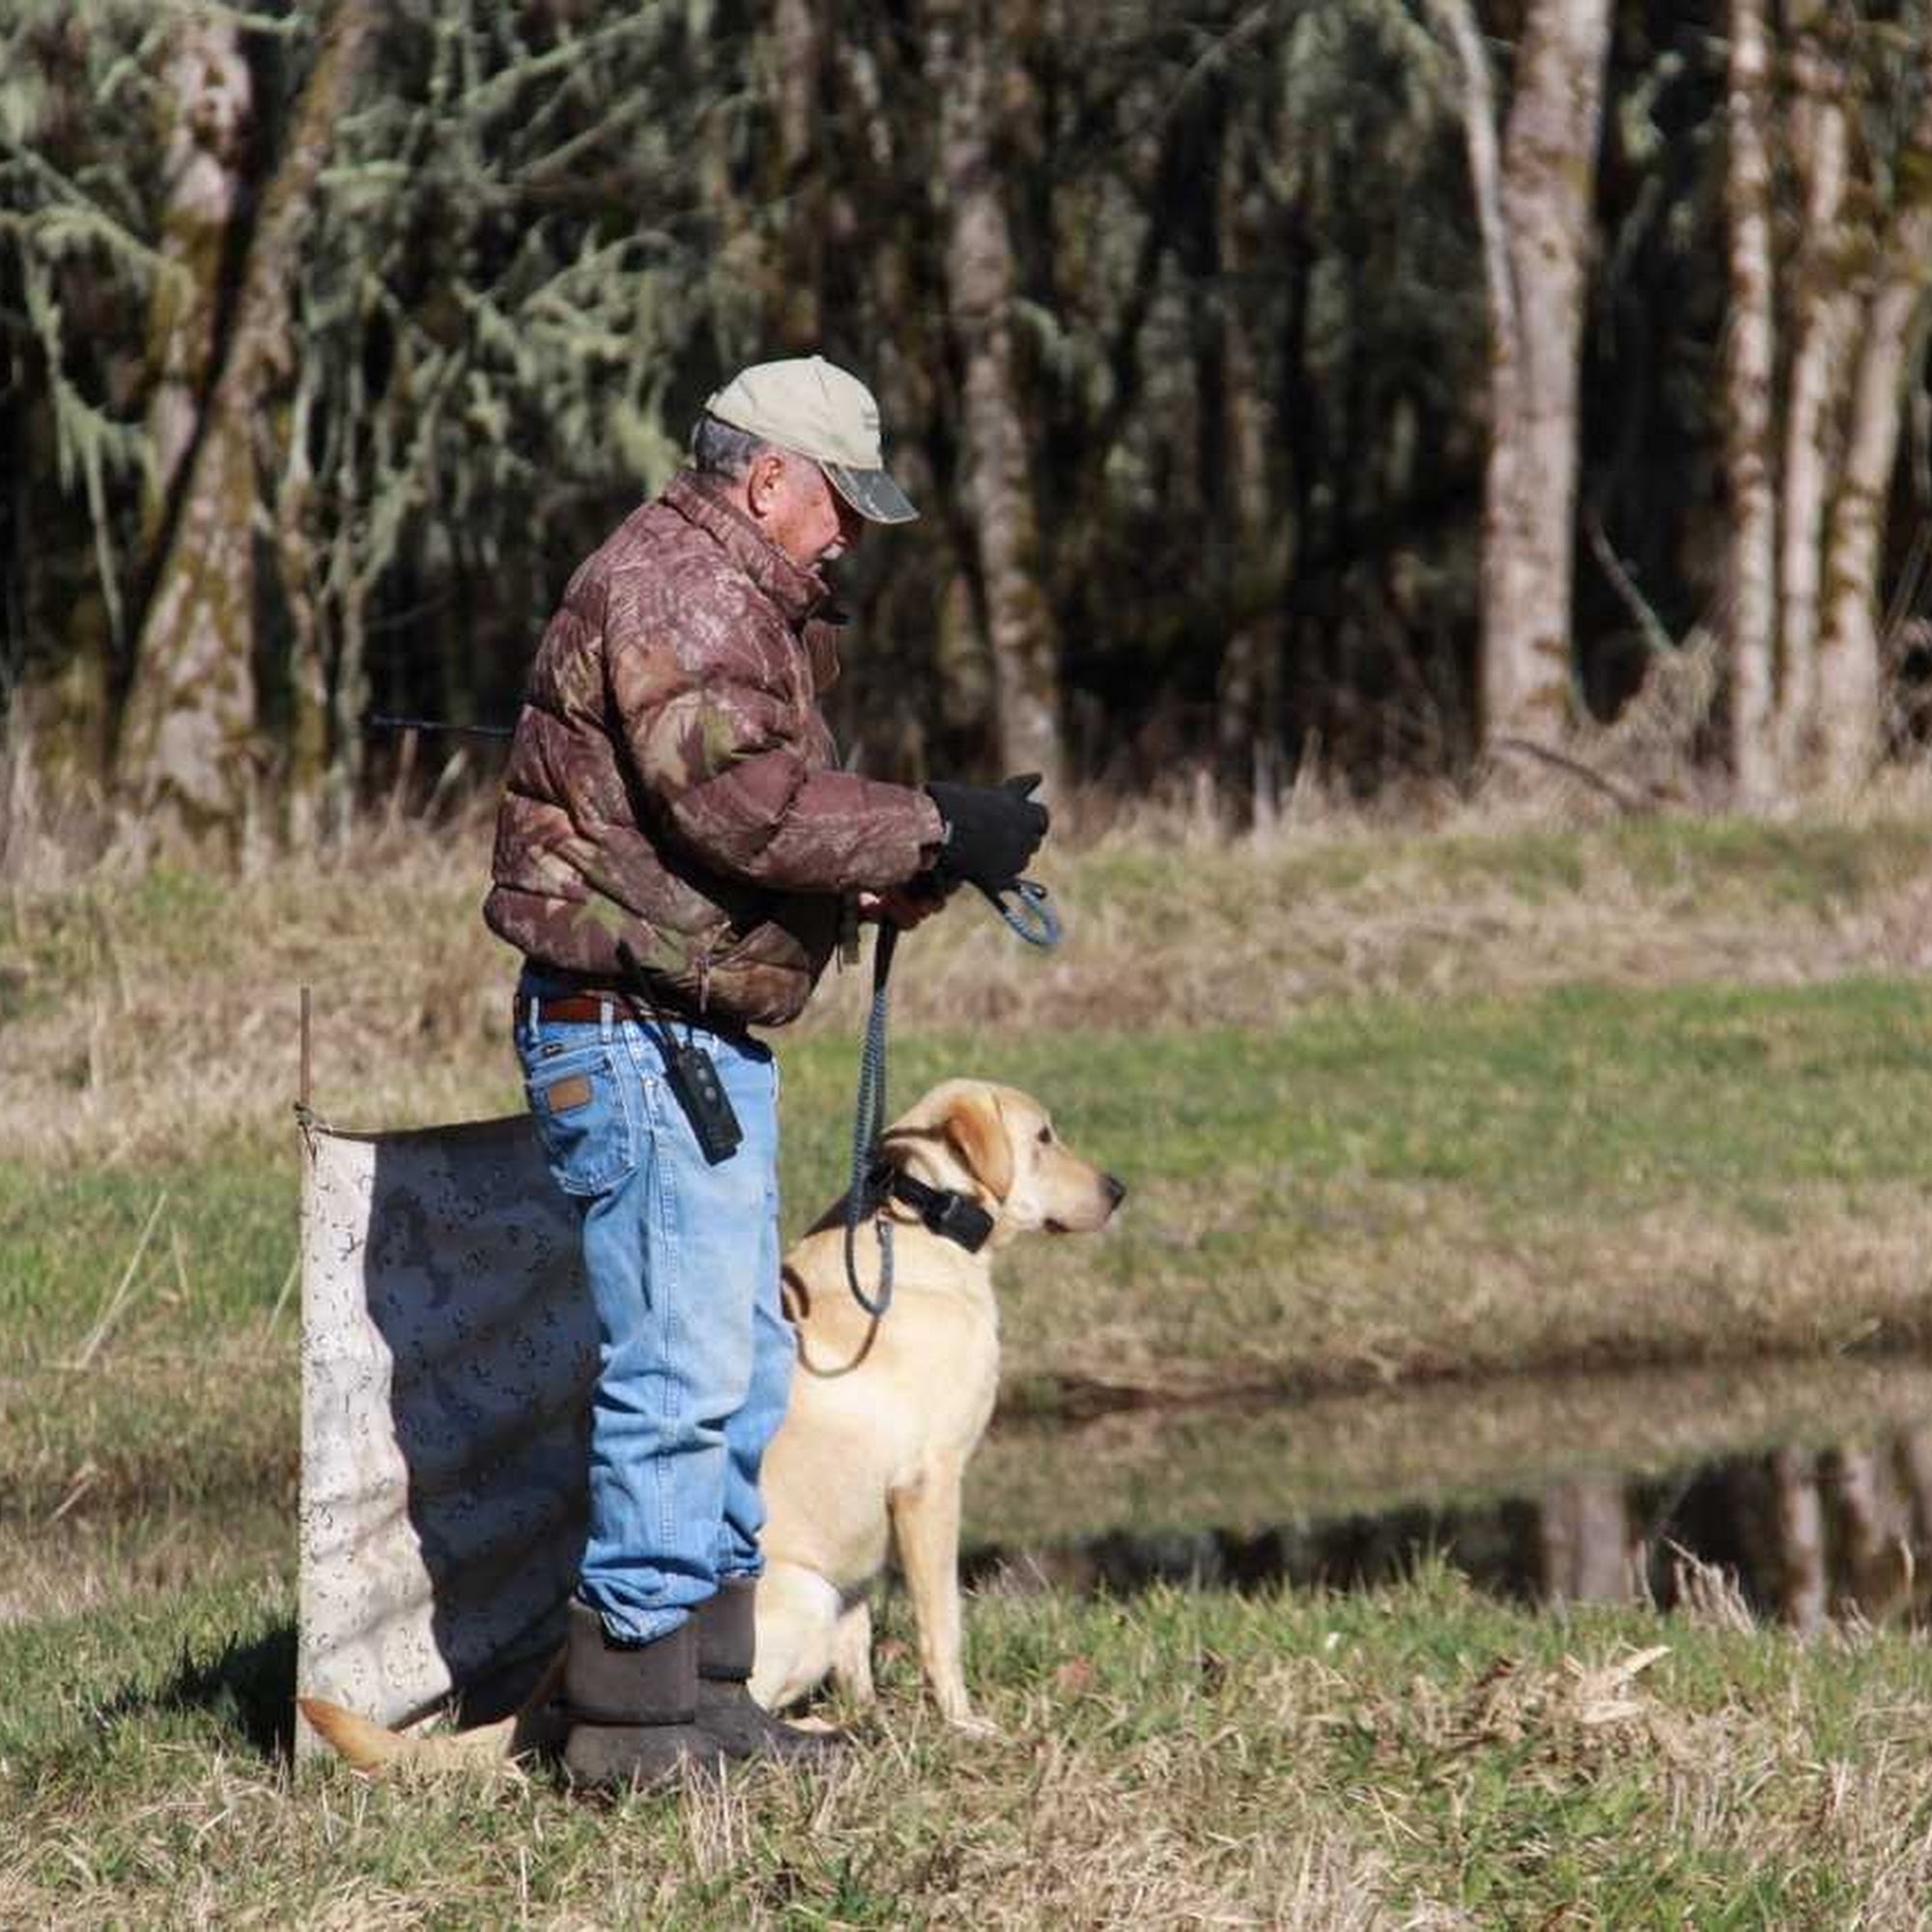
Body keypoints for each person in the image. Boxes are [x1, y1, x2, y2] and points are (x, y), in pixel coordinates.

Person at [484, 355, 1048, 1788]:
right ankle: (629, 1727)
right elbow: (741, 807)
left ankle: (711, 1694)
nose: (850, 535)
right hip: (632, 1036)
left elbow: (702, 842)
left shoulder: (729, 592)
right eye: (840, 506)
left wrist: (877, 884)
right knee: (677, 1379)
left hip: (689, 1032)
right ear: (766, 477)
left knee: (735, 1371)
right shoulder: (682, 585)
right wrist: (934, 827)